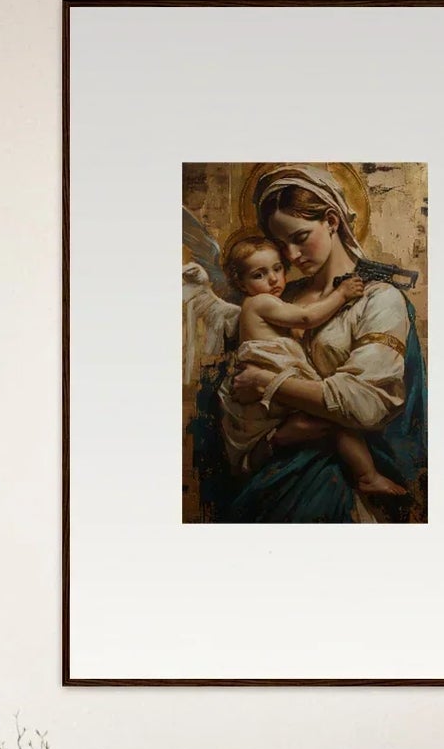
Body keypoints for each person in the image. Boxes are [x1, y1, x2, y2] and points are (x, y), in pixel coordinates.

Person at [182, 165, 428, 524]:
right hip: (270, 478)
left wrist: (270, 385)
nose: (292, 256)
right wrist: (278, 438)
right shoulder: (280, 298)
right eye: (281, 246)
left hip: (334, 489)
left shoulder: (379, 300)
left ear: (331, 220)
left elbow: (366, 404)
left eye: (300, 237)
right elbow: (238, 396)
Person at [219, 230, 406, 499]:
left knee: (329, 420)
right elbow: (307, 318)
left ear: (331, 222)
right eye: (259, 275)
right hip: (272, 382)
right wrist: (341, 294)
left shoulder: (381, 298)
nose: (273, 279)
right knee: (332, 419)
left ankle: (367, 476)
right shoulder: (261, 302)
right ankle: (368, 476)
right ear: (241, 281)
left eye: (277, 269)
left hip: (275, 383)